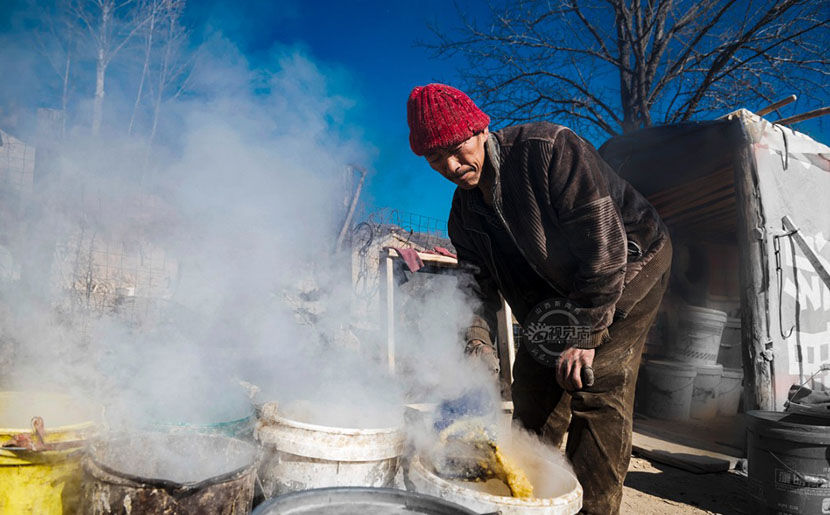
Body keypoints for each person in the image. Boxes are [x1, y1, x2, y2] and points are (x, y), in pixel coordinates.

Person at [406, 83, 671, 514]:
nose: (451, 166)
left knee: (593, 384)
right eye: (435, 158)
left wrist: (584, 335)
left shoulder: (549, 151)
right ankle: (522, 499)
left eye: (457, 148)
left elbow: (604, 249)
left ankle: (594, 509)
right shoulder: (464, 214)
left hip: (630, 264)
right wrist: (476, 346)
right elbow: (475, 288)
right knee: (532, 385)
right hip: (556, 290)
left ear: (480, 129)